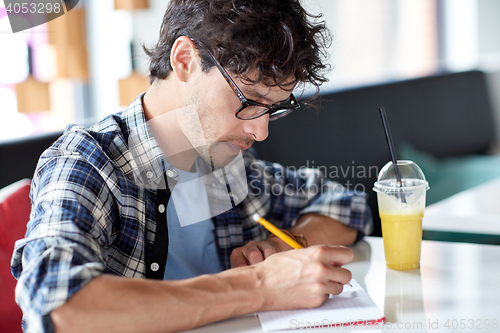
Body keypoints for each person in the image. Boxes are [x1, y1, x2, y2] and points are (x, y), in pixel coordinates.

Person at [11, 0, 373, 332]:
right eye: (251, 100)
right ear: (185, 60)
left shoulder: (223, 166)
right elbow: (62, 306)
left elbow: (343, 203)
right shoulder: (91, 164)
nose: (260, 131)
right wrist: (262, 285)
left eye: (274, 109)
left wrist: (285, 249)